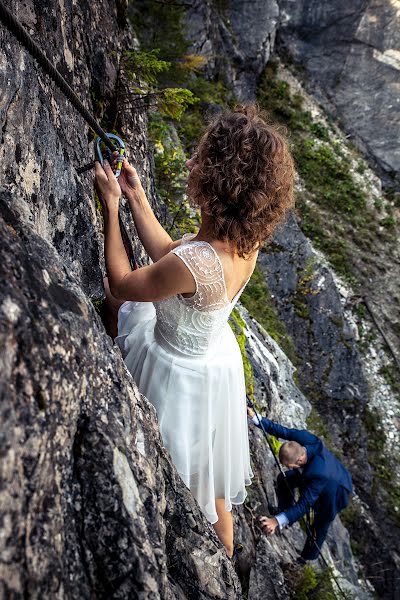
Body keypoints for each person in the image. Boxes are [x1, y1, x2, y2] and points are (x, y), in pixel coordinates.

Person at [94, 104, 295, 558]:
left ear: (219, 185)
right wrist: (136, 198)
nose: (190, 164)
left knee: (113, 301)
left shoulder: (199, 262)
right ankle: (225, 559)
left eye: (200, 161)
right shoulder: (243, 241)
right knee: (211, 481)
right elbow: (171, 253)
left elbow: (127, 284)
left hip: (175, 371)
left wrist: (110, 208)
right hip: (211, 361)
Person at [247, 408, 353, 561]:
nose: (287, 468)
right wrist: (257, 419)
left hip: (337, 490)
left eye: (289, 466)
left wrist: (275, 522)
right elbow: (282, 431)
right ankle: (284, 512)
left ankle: (306, 558)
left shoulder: (318, 473)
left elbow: (304, 504)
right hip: (322, 472)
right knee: (284, 479)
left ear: (300, 461)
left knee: (318, 524)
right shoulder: (303, 439)